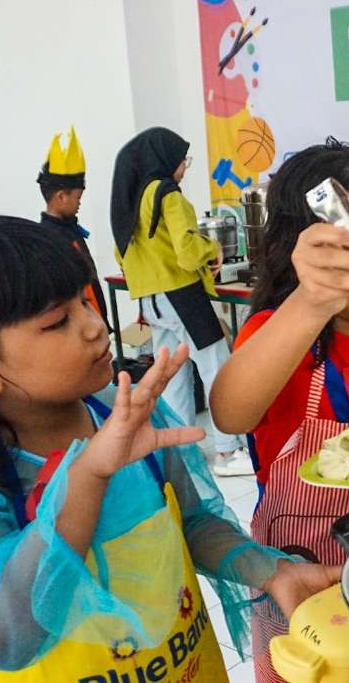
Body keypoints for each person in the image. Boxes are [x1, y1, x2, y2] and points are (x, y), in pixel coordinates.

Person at [0, 216, 341, 683]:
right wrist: (88, 476)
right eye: (58, 322)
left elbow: (191, 524)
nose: (96, 326)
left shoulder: (128, 416)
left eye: (85, 302)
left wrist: (272, 571)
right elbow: (2, 640)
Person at [209, 139, 349, 683]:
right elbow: (230, 414)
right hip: (300, 573)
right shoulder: (281, 334)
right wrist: (312, 301)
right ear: (301, 251)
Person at [110, 127, 253, 477]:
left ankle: (183, 452)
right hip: (182, 295)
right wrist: (213, 247)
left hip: (150, 300)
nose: (185, 168)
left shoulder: (134, 195)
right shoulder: (168, 194)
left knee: (172, 374)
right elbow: (188, 253)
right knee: (217, 365)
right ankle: (228, 451)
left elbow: (120, 251)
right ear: (166, 160)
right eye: (183, 160)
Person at [37, 127, 110, 330]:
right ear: (61, 196)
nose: (79, 203)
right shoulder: (51, 240)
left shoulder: (69, 230)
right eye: (77, 198)